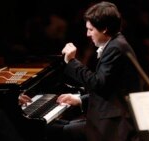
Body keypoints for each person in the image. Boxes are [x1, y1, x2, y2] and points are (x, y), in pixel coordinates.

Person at [46, 1, 142, 141]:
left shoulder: (115, 48)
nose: (87, 34)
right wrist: (79, 100)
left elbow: (97, 83)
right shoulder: (116, 43)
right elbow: (108, 88)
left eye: (91, 29)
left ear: (104, 29)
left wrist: (71, 61)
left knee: (57, 131)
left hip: (114, 125)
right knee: (59, 126)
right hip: (110, 116)